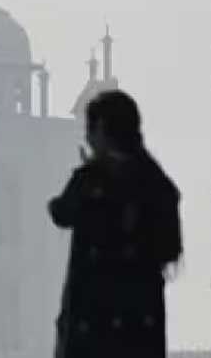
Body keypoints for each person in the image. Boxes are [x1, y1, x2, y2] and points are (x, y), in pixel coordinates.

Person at [49, 90, 182, 358]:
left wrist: (91, 178)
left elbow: (61, 213)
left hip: (93, 330)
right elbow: (170, 249)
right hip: (139, 331)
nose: (87, 137)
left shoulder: (91, 181)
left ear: (101, 129)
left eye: (90, 129)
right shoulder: (156, 183)